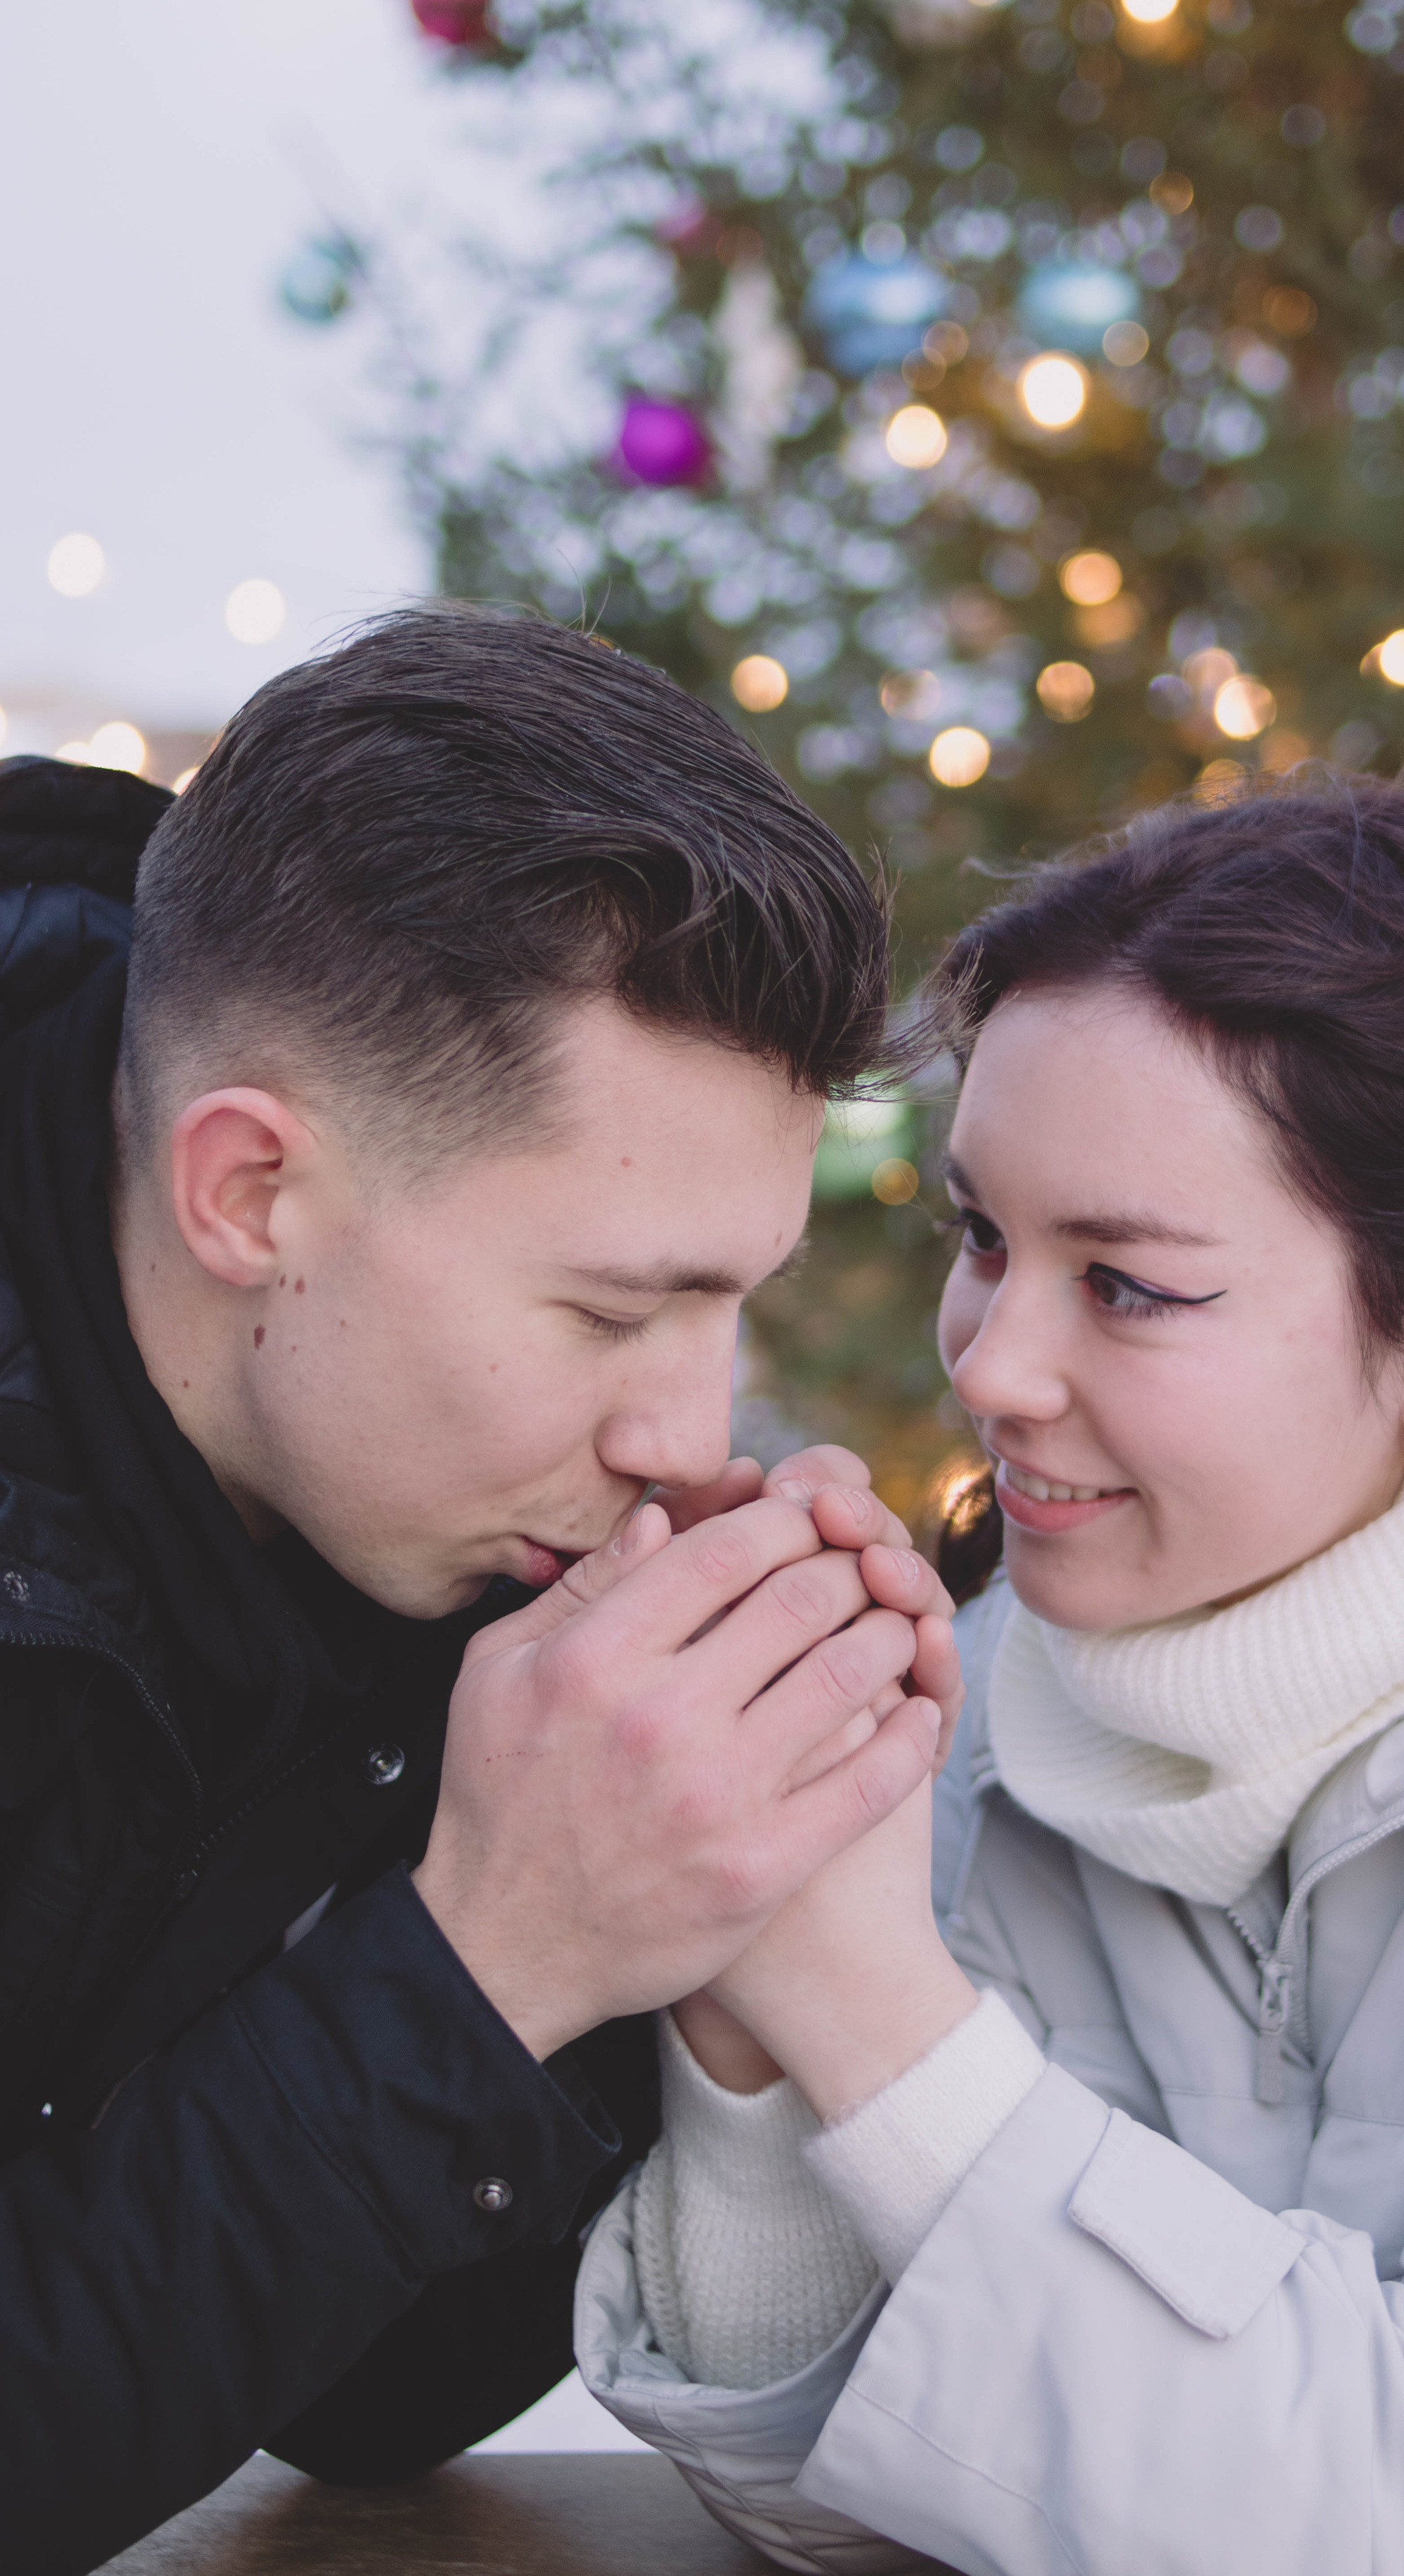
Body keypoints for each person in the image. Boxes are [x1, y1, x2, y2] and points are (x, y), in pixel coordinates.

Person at [575, 780, 1404, 2575]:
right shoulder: (974, 1714)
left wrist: (875, 2014)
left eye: (1128, 1285)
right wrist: (751, 2018)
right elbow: (850, 2527)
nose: (990, 1367)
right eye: (982, 1237)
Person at [0, 607, 959, 2576]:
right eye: (615, 1308)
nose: (688, 1436)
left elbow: (366, 2404)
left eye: (731, 1304)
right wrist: (495, 1955)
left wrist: (673, 1900)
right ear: (251, 1194)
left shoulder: (399, 1475)